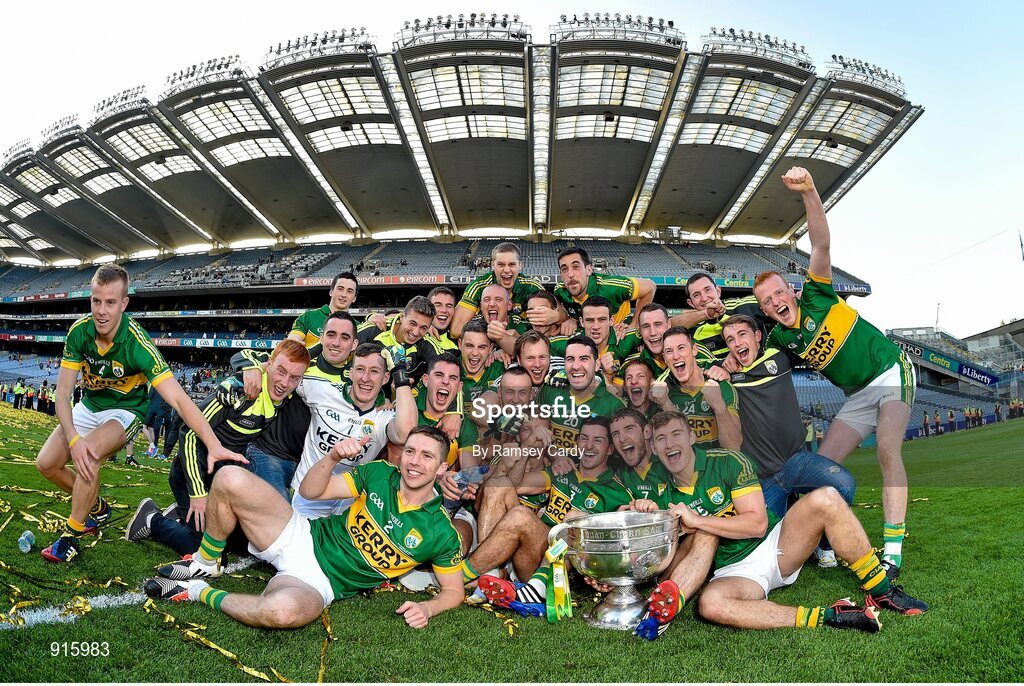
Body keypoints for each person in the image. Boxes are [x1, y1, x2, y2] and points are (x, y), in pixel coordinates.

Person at [751, 166, 919, 578]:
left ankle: (892, 551)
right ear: (765, 310)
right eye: (767, 302)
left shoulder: (817, 294)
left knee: (886, 449)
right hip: (858, 395)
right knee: (821, 465)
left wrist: (809, 191)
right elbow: (749, 358)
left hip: (891, 370)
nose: (775, 303)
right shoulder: (780, 340)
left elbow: (821, 241)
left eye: (778, 293)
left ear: (790, 290)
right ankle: (821, 541)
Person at [631, 412, 927, 635]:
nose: (670, 444)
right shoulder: (657, 488)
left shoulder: (729, 461)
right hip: (732, 572)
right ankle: (832, 615)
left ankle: (883, 590)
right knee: (711, 606)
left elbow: (757, 524)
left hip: (775, 544)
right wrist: (649, 515)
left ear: (691, 437)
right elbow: (664, 556)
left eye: (676, 434)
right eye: (660, 439)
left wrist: (696, 520)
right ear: (654, 449)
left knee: (827, 498)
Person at [144, 427, 465, 630]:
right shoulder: (381, 473)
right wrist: (334, 455)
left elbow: (454, 591)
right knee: (228, 478)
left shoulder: (442, 533)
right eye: (410, 451)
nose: (413, 461)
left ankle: (197, 591)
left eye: (426, 456)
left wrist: (428, 607)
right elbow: (312, 491)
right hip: (301, 536)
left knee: (280, 613)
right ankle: (203, 564)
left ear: (441, 468)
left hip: (319, 583)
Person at [35, 264, 245, 564]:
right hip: (90, 406)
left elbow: (181, 400)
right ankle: (97, 507)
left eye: (110, 302)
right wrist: (72, 438)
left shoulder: (138, 344)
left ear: (124, 303)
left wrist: (212, 444)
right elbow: (64, 394)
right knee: (45, 463)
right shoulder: (79, 332)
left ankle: (73, 534)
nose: (102, 311)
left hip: (125, 412)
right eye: (96, 301)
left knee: (90, 455)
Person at [126, 340, 310, 557]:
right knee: (200, 548)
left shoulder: (283, 396)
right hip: (191, 474)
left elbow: (258, 356)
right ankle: (151, 518)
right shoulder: (238, 391)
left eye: (294, 377)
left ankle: (181, 516)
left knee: (244, 545)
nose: (284, 382)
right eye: (281, 371)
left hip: (221, 481)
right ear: (269, 365)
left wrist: (249, 364)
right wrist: (197, 493)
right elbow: (190, 432)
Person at [714, 315, 855, 567]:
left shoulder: (778, 357)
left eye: (742, 335)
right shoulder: (728, 378)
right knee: (763, 550)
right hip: (761, 478)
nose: (737, 343)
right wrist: (721, 371)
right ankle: (799, 526)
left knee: (843, 485)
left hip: (795, 462)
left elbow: (802, 330)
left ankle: (824, 545)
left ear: (757, 337)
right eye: (730, 340)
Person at [658, 326, 741, 451]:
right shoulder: (665, 394)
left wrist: (719, 407)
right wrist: (666, 404)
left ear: (694, 350)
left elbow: (733, 446)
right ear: (664, 358)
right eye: (669, 351)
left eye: (681, 348)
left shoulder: (721, 386)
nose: (675, 356)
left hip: (721, 466)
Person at [451, 242, 550, 339]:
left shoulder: (532, 287)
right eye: (501, 265)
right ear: (492, 265)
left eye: (511, 264)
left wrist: (560, 317)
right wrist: (499, 334)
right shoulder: (478, 286)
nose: (506, 270)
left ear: (520, 265)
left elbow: (549, 325)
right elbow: (456, 330)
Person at [672, 272, 772, 360]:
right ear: (691, 303)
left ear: (718, 291)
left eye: (707, 290)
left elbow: (776, 299)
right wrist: (706, 314)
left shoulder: (743, 306)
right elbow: (667, 326)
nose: (704, 298)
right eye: (697, 295)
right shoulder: (692, 328)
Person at [553, 246, 656, 326]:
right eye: (564, 269)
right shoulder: (560, 291)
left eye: (576, 267)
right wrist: (569, 319)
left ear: (589, 270)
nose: (570, 274)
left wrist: (635, 325)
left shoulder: (611, 287)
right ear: (561, 275)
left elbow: (650, 286)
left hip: (618, 334)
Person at [289, 272, 360, 347]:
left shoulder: (357, 326)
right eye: (340, 289)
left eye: (349, 291)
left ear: (354, 298)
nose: (344, 295)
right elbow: (291, 344)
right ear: (331, 292)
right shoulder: (308, 317)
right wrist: (293, 344)